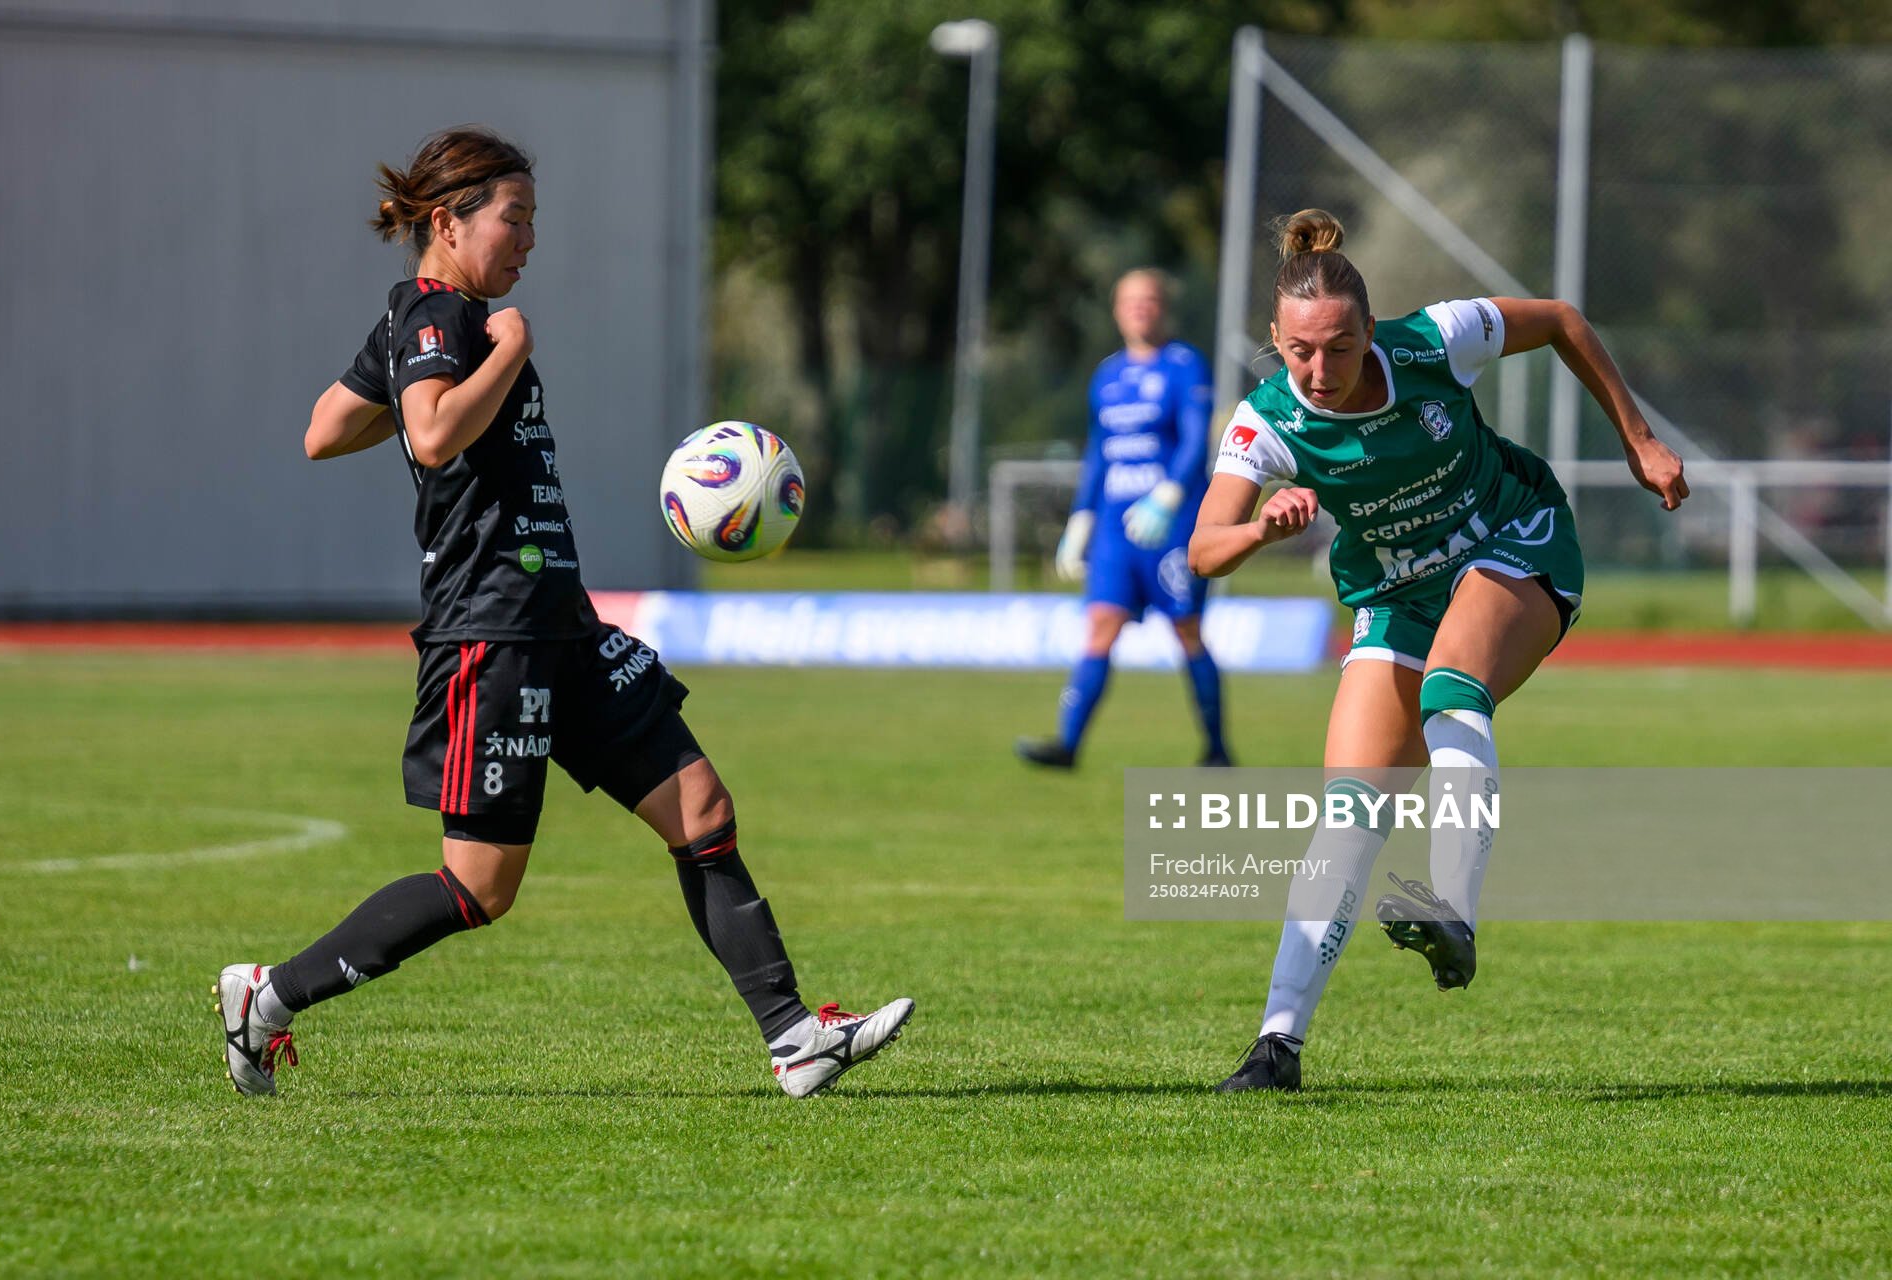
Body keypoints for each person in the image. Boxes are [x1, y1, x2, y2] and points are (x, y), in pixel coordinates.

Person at [215, 126, 912, 1100]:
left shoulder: (429, 316)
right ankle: (268, 994)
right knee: (478, 887)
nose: (529, 239)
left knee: (701, 807)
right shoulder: (444, 313)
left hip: (561, 623)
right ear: (450, 219)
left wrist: (424, 360)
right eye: (515, 217)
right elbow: (430, 432)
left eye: (533, 218)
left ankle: (794, 1035)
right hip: (491, 628)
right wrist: (505, 350)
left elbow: (327, 427)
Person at [1192, 210, 1686, 1092]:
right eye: (1300, 351)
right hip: (1397, 593)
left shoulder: (1437, 341)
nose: (1320, 370)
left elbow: (1563, 320)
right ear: (1274, 339)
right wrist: (1264, 525)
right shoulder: (1265, 422)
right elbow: (1203, 548)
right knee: (1346, 814)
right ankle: (1276, 1047)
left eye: (1340, 348)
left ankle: (1454, 909)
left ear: (1370, 332)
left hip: (1515, 536)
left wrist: (1639, 439)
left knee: (1453, 687)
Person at [1017, 269, 1231, 770]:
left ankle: (1217, 750)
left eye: (1149, 300)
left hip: (1171, 529)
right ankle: (1067, 746)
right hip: (1116, 530)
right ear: (1116, 310)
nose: (1140, 308)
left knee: (1188, 631)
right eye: (1130, 301)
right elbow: (1099, 452)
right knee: (1100, 628)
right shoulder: (1107, 375)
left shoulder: (1185, 365)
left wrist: (1171, 494)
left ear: (1163, 308)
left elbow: (1197, 436)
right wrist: (1081, 520)